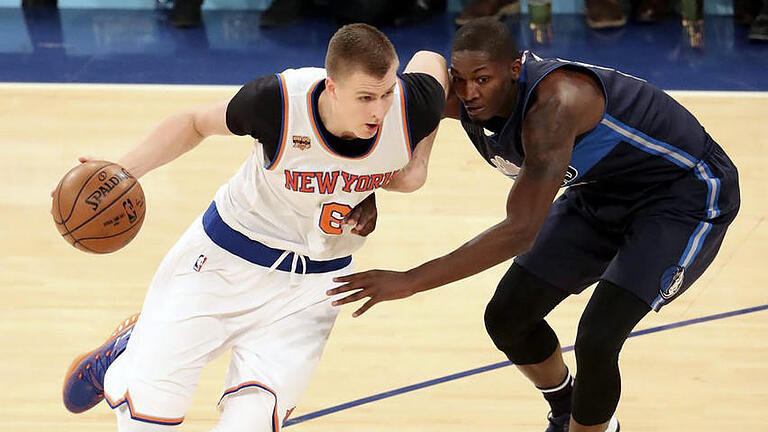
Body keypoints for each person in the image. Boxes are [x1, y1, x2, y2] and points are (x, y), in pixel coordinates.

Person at [328, 17, 740, 432]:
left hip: (683, 194)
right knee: (508, 317)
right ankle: (565, 411)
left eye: (483, 79)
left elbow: (520, 231)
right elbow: (389, 119)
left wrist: (410, 280)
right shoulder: (465, 98)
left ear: (514, 68)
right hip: (602, 191)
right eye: (460, 78)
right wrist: (369, 186)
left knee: (598, 337)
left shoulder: (556, 106)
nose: (469, 93)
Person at [60, 23, 448, 432]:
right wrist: (125, 171)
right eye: (366, 97)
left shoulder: (408, 107)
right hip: (224, 260)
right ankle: (125, 354)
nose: (379, 110)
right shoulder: (278, 102)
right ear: (331, 87)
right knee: (148, 422)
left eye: (386, 93)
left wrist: (414, 166)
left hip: (313, 286)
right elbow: (195, 123)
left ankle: (143, 344)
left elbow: (432, 61)